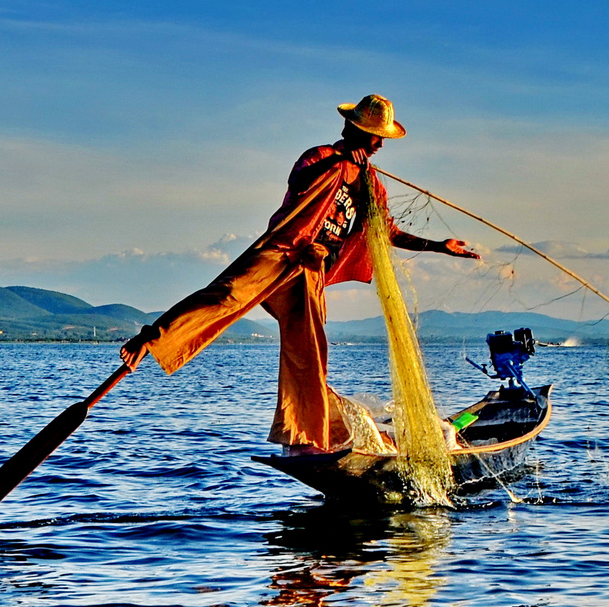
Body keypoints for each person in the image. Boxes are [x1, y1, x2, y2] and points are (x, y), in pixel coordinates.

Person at [119, 94, 481, 455]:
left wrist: (438, 245)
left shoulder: (371, 184)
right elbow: (301, 181)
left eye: (382, 137)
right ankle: (150, 339)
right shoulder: (320, 157)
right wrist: (341, 162)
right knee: (227, 294)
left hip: (311, 269)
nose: (380, 144)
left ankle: (305, 438)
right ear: (353, 129)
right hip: (282, 251)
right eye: (374, 135)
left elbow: (386, 231)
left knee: (309, 353)